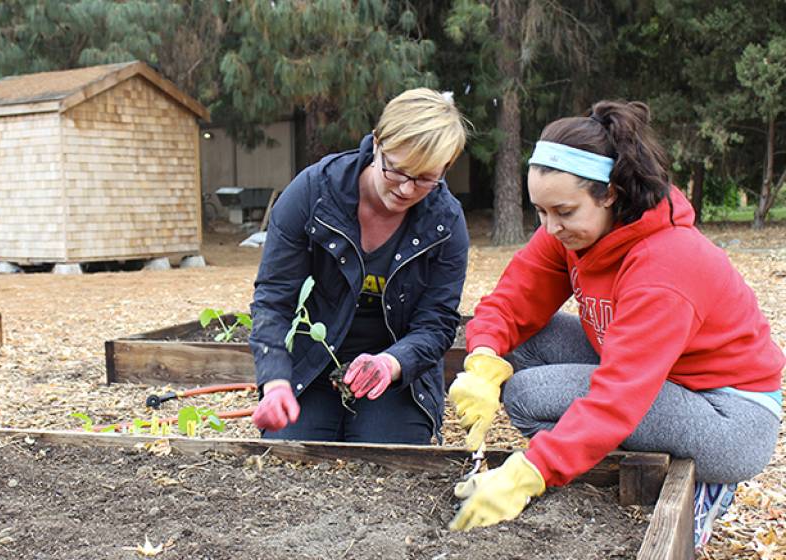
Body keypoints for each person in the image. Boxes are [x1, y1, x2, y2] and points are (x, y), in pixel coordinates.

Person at [448, 100, 784, 551]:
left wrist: (529, 472)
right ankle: (601, 463)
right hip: (657, 377)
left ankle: (683, 486)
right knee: (522, 346)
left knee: (529, 393)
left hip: (727, 417)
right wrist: (482, 359)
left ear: (611, 193)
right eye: (540, 212)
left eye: (563, 212)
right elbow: (510, 302)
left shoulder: (666, 264)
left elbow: (618, 396)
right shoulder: (573, 232)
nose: (549, 228)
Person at [248, 88, 471, 444]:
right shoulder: (313, 193)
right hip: (312, 365)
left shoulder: (445, 222)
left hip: (397, 377)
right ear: (377, 143)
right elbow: (273, 300)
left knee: (389, 457)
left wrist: (391, 363)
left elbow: (438, 323)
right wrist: (275, 382)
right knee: (291, 450)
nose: (406, 189)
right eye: (397, 170)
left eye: (426, 178)